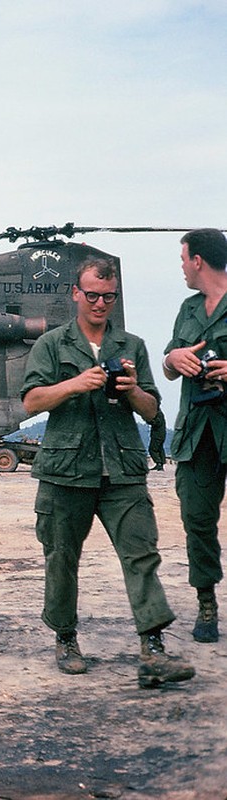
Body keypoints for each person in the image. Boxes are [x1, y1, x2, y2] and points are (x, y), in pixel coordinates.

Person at [21, 256, 194, 687]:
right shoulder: (52, 345)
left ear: (116, 296)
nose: (100, 303)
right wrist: (74, 384)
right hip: (65, 470)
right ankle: (65, 638)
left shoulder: (131, 345)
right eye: (92, 295)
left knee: (141, 554)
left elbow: (153, 410)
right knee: (62, 558)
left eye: (109, 296)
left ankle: (153, 649)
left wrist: (132, 388)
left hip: (122, 470)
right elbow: (31, 402)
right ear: (76, 294)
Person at [161, 227, 227, 644]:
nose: (182, 267)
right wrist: (173, 357)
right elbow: (168, 366)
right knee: (197, 520)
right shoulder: (188, 309)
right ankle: (207, 602)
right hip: (198, 433)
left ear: (198, 260)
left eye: (183, 258)